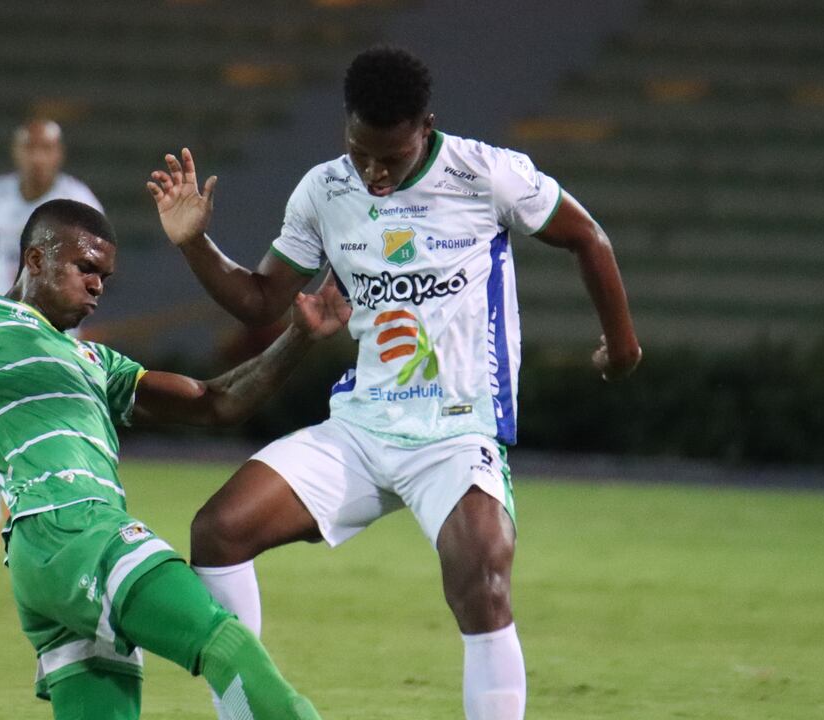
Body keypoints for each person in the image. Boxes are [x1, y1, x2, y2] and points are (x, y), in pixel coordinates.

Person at [147, 46, 642, 720]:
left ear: (426, 128)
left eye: (392, 158)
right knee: (219, 530)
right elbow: (261, 302)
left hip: (456, 431)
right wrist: (193, 243)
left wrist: (622, 346)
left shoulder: (486, 174)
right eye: (361, 153)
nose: (375, 173)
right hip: (363, 426)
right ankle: (248, 713)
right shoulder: (324, 191)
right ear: (345, 128)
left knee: (481, 575)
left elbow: (588, 237)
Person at [0, 199, 339, 720]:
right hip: (74, 527)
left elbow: (216, 402)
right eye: (85, 268)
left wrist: (299, 336)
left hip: (48, 557)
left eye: (104, 276)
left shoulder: (94, 359)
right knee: (222, 640)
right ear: (36, 259)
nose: (97, 286)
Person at [0, 118, 103, 549]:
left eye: (46, 148)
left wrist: (81, 303)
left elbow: (101, 258)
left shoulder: (77, 200)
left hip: (55, 331)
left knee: (54, 421)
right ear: (16, 152)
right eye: (30, 148)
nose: (38, 157)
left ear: (59, 154)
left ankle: (45, 509)